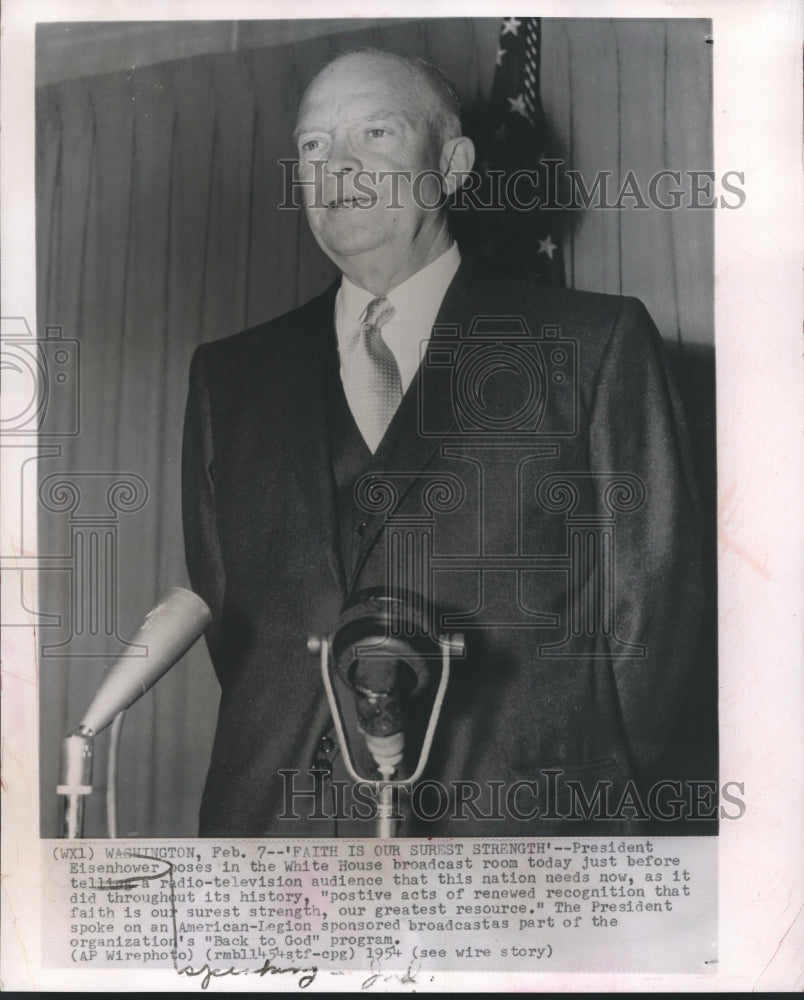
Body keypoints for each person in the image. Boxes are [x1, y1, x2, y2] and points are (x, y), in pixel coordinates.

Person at [182, 50, 705, 837]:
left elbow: (654, 613)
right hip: (278, 839)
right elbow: (235, 625)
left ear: (453, 164)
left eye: (376, 132)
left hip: (523, 837)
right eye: (314, 146)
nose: (340, 165)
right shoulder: (229, 376)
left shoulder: (593, 344)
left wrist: (571, 775)